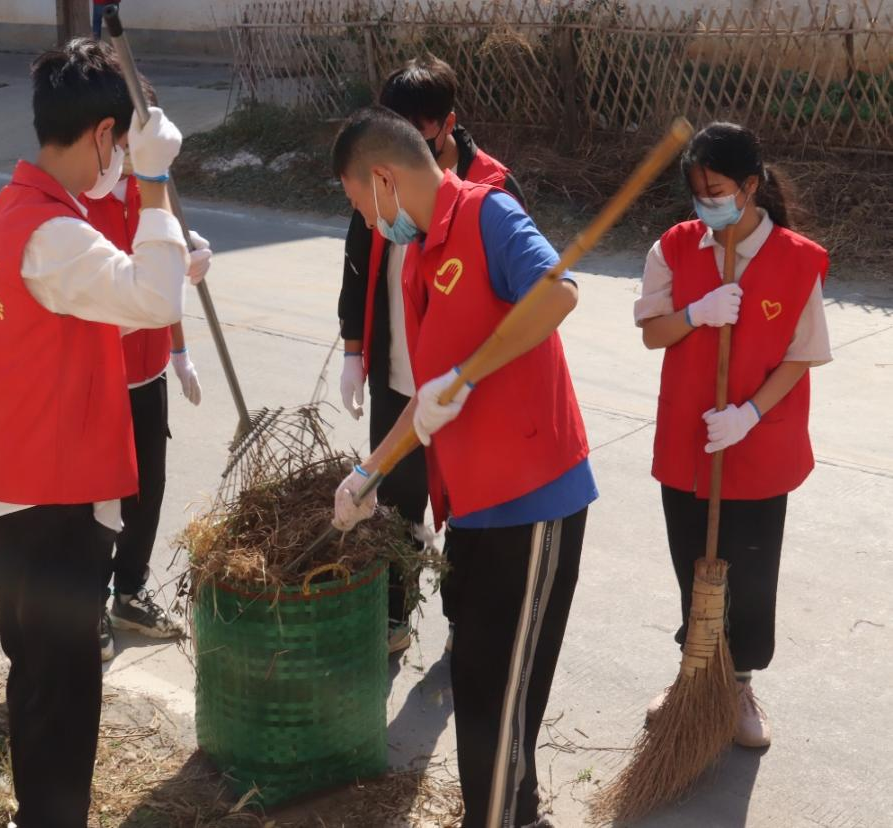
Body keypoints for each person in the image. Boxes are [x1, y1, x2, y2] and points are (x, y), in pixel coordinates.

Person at [330, 107, 596, 828]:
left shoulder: (487, 215)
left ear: (383, 179)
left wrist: (471, 375)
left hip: (532, 498)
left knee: (502, 697)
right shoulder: (418, 255)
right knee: (482, 690)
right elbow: (428, 401)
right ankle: (519, 813)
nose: (369, 223)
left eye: (360, 205)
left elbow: (557, 292)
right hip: (472, 506)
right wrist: (369, 474)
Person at [0, 39, 200, 826]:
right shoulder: (53, 233)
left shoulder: (22, 211)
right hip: (51, 499)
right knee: (63, 699)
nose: (124, 162)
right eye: (123, 146)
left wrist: (161, 243)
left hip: (19, 483)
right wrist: (158, 184)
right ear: (105, 136)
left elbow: (132, 288)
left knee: (37, 682)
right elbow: (153, 299)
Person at [635, 122, 831, 749]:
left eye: (715, 189)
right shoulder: (675, 247)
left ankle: (739, 682)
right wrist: (695, 314)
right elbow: (652, 333)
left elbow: (800, 356)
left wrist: (747, 414)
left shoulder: (797, 261)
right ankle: (693, 674)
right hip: (687, 441)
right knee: (691, 566)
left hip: (757, 441)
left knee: (749, 573)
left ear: (750, 186)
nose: (705, 202)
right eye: (696, 190)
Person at [336, 55, 527, 655]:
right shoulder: (377, 179)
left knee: (464, 508)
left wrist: (475, 377)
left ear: (446, 125)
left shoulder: (491, 190)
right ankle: (393, 616)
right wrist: (353, 350)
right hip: (400, 371)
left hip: (461, 388)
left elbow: (540, 297)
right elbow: (357, 267)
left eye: (414, 135)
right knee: (395, 505)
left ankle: (461, 619)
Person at [80, 79, 210, 656]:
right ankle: (89, 604)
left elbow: (167, 279)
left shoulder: (151, 193)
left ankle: (129, 592)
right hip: (100, 378)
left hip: (147, 372)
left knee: (147, 491)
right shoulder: (85, 203)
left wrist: (178, 352)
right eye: (130, 141)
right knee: (98, 499)